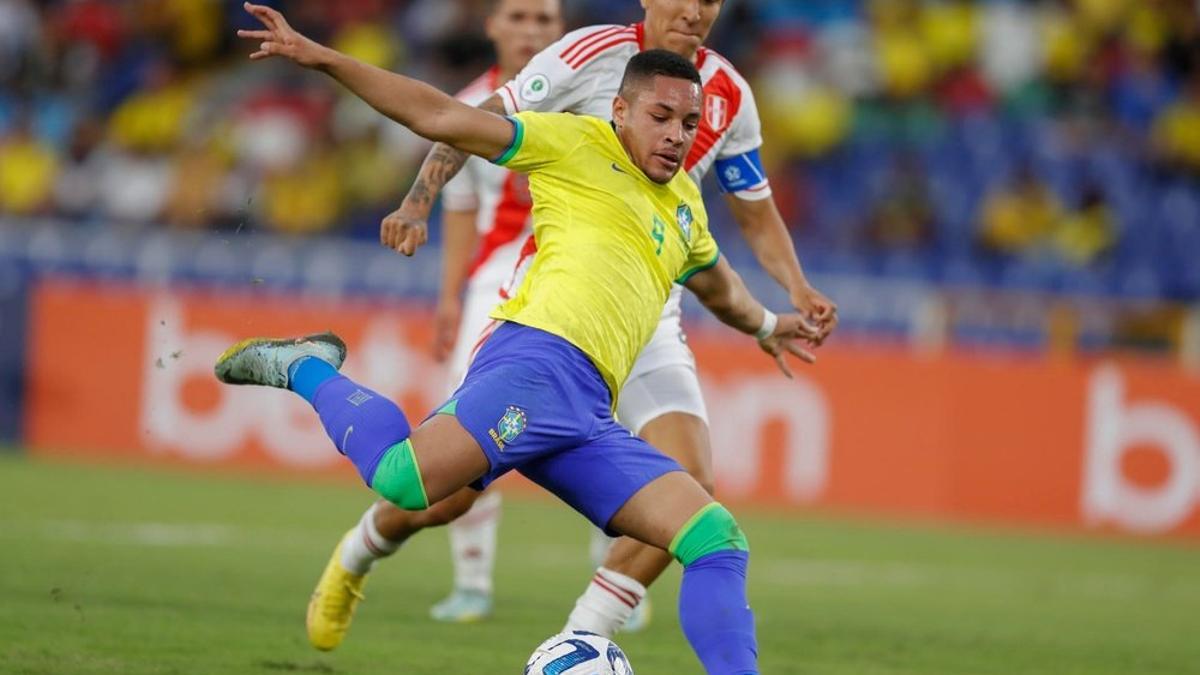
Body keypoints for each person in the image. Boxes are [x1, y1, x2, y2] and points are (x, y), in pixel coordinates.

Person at [226, 4, 823, 672]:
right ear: (620, 113)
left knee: (715, 534)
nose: (678, 136)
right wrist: (326, 58)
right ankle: (309, 368)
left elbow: (718, 286)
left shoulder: (685, 201)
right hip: (533, 366)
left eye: (688, 123)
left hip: (589, 409)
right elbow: (442, 116)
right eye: (660, 117)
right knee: (407, 483)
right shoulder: (572, 145)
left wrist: (771, 324)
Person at [316, 0, 565, 633]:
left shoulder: (593, 92)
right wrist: (451, 299)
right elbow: (461, 212)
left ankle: (619, 586)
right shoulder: (470, 106)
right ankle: (472, 581)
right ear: (492, 27)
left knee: (618, 428)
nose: (532, 30)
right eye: (520, 17)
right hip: (499, 290)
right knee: (466, 445)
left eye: (544, 19)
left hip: (579, 294)